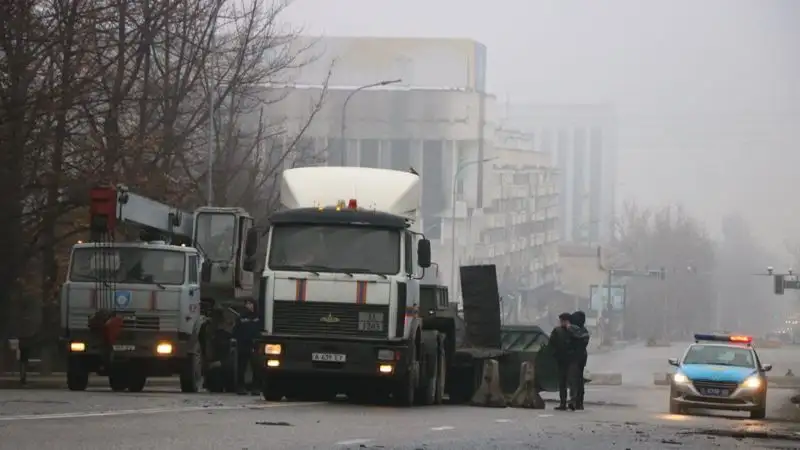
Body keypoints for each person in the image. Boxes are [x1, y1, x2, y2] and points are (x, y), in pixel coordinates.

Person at [235, 299, 261, 395]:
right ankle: (240, 387)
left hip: (255, 345)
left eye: (251, 303)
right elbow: (236, 331)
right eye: (247, 304)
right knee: (241, 367)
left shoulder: (258, 317)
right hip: (243, 344)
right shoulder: (241, 318)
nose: (249, 306)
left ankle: (256, 387)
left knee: (256, 367)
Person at [549, 312, 574, 411]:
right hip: (570, 359)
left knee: (563, 382)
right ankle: (570, 402)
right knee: (569, 382)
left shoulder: (557, 331)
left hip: (563, 359)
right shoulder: (573, 330)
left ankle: (564, 403)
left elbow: (551, 344)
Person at [569, 310, 591, 410]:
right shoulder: (584, 331)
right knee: (579, 380)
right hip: (582, 356)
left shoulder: (575, 331)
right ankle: (579, 402)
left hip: (575, 357)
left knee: (574, 380)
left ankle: (574, 401)